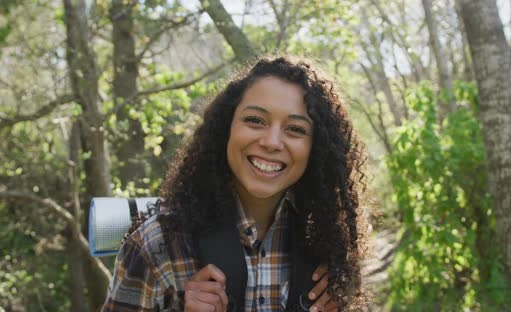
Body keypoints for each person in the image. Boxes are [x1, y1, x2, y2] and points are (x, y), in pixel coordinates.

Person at [102, 56, 370, 311]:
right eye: (255, 120)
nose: (271, 142)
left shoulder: (331, 245)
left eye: (296, 129)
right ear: (226, 128)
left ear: (317, 148)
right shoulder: (158, 245)